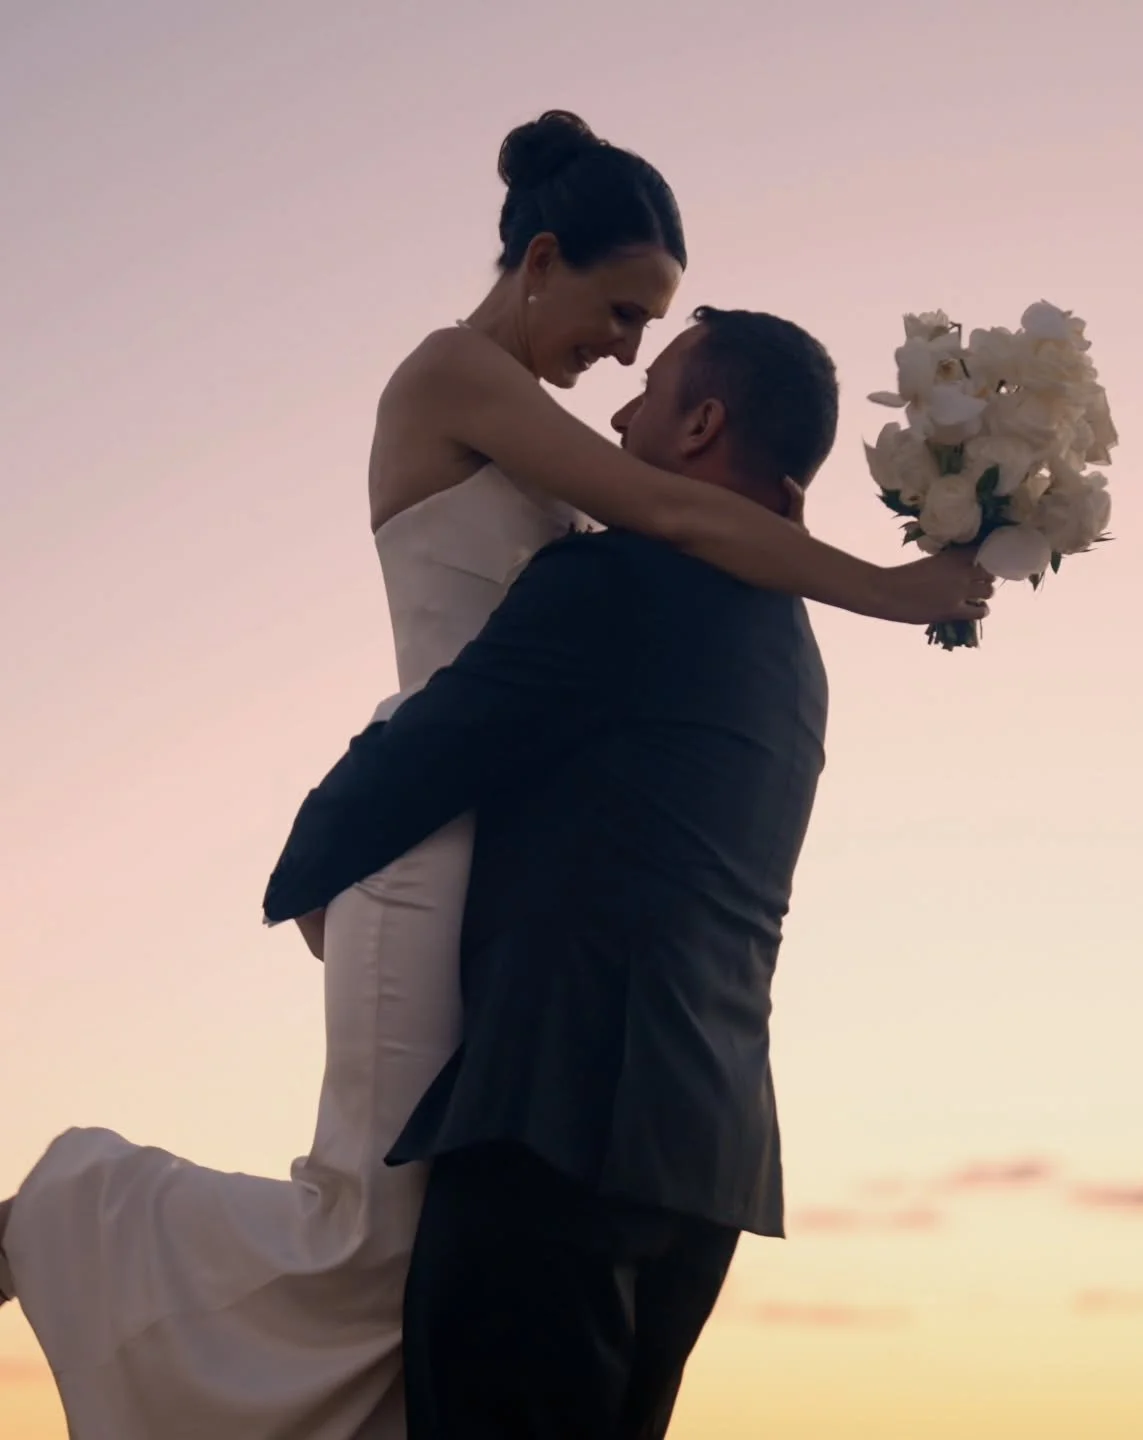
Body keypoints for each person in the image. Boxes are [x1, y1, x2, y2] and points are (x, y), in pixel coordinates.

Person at [0, 112, 992, 1438]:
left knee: (414, 1254)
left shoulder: (569, 460)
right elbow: (678, 512)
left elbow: (689, 540)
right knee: (368, 1234)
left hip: (494, 864)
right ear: (539, 261)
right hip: (420, 838)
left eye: (651, 332)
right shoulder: (453, 376)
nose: (624, 354)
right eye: (622, 310)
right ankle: (70, 1215)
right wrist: (894, 588)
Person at [264, 306, 841, 1438]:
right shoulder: (794, 649)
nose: (617, 416)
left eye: (651, 389)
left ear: (702, 424)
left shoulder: (615, 580)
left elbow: (441, 736)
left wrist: (307, 874)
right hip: (710, 1161)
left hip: (560, 1131)